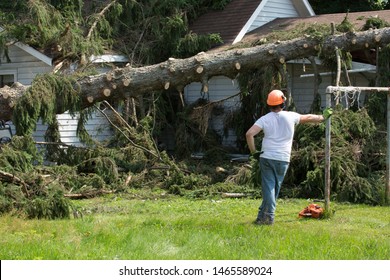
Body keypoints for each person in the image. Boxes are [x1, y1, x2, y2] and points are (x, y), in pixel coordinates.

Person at [245, 89, 333, 225]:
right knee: (273, 189)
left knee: (269, 188)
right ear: (283, 103)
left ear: (269, 104)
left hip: (267, 157)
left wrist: (253, 152)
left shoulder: (264, 119)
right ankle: (262, 216)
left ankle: (268, 217)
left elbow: (249, 134)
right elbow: (309, 117)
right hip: (283, 158)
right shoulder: (291, 116)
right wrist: (323, 117)